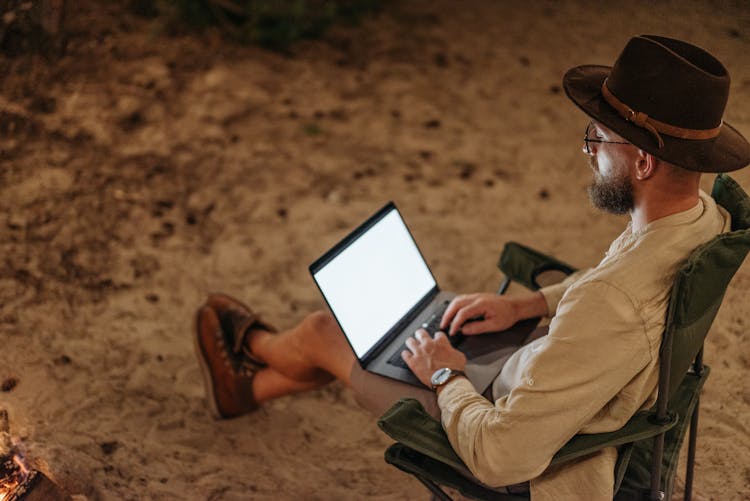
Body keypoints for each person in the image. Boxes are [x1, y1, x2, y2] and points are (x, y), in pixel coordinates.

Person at [193, 35, 750, 500]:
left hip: (536, 450)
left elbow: (501, 457)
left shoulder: (612, 303)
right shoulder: (701, 219)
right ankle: (246, 386)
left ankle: (250, 361)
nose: (589, 151)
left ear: (644, 160)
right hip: (559, 382)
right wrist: (527, 305)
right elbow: (619, 295)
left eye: (597, 139)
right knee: (397, 332)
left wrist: (445, 375)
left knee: (328, 334)